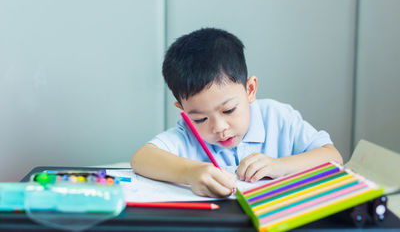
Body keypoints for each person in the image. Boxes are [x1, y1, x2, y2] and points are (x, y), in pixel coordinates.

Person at [131, 28, 343, 198]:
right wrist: (190, 172)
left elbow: (333, 157)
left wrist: (280, 166)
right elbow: (141, 159)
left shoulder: (278, 118)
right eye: (200, 118)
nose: (219, 128)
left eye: (229, 110)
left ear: (250, 90)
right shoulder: (187, 134)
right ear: (184, 112)